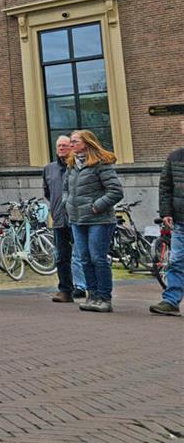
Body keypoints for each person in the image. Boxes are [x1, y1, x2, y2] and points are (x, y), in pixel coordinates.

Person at [64, 129, 124, 313]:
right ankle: (92, 296)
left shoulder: (101, 164)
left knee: (98, 257)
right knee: (84, 258)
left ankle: (105, 297)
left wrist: (97, 206)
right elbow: (66, 189)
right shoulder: (72, 165)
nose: (71, 144)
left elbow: (115, 191)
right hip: (78, 219)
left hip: (100, 219)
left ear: (86, 143)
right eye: (71, 141)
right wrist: (67, 202)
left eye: (74, 141)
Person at [150, 119, 183, 316]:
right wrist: (166, 212)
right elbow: (165, 187)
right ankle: (171, 301)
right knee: (177, 261)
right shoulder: (174, 157)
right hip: (181, 220)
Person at [43, 135, 76, 302]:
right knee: (61, 257)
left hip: (77, 218)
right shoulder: (49, 169)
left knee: (83, 255)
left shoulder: (77, 166)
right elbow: (48, 193)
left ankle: (88, 288)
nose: (61, 148)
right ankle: (65, 290)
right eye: (58, 146)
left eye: (64, 145)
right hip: (59, 219)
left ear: (71, 147)